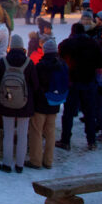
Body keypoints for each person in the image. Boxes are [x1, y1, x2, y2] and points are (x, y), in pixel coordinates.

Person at [0, 34, 36, 173]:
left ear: (11, 46)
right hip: (25, 103)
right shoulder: (29, 63)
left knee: (8, 134)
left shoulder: (3, 62)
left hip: (7, 102)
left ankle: (6, 163)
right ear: (22, 47)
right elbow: (35, 85)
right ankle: (20, 165)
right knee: (23, 135)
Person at [57, 23, 102, 151]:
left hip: (72, 82)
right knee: (89, 112)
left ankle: (65, 140)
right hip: (89, 82)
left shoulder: (67, 44)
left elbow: (60, 59)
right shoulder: (94, 44)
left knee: (68, 113)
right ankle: (91, 141)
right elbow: (101, 63)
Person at [28, 39, 64, 169]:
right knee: (50, 132)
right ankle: (48, 160)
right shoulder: (62, 65)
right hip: (55, 102)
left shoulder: (40, 65)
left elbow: (35, 85)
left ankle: (35, 160)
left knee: (36, 131)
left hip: (41, 103)